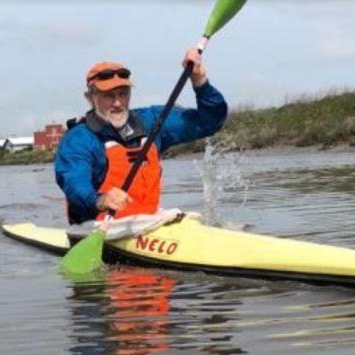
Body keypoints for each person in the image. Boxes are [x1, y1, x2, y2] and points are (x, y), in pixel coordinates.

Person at [55, 48, 228, 225]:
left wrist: (199, 81)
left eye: (123, 94)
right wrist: (101, 200)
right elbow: (74, 184)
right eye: (108, 96)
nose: (117, 103)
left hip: (148, 223)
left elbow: (210, 122)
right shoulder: (77, 140)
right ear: (90, 98)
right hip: (98, 227)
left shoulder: (152, 122)